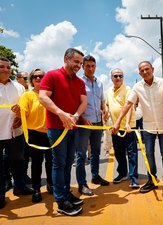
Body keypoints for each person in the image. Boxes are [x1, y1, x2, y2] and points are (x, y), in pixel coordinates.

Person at [112, 61, 163, 198]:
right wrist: (117, 122)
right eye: (142, 70)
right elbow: (128, 104)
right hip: (148, 127)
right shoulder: (137, 87)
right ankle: (152, 179)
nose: (145, 72)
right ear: (139, 73)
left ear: (152, 69)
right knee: (149, 154)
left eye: (147, 69)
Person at [39, 48, 87, 216]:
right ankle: (61, 201)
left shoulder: (80, 82)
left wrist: (75, 115)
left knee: (68, 162)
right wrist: (61, 113)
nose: (79, 66)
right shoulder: (52, 75)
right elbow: (43, 97)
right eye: (76, 62)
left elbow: (83, 102)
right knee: (59, 163)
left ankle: (66, 193)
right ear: (66, 59)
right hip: (57, 129)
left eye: (80, 63)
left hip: (73, 128)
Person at [0, 57, 33, 209]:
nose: (6, 69)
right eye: (2, 67)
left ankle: (20, 186)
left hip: (15, 131)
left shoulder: (19, 87)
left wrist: (20, 115)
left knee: (19, 160)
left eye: (8, 67)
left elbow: (24, 106)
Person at [75, 55, 109, 196]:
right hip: (83, 124)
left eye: (92, 66)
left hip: (97, 123)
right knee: (81, 154)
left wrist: (105, 110)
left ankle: (95, 177)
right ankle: (82, 184)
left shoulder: (99, 83)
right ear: (82, 66)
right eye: (87, 66)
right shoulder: (77, 82)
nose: (90, 68)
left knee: (96, 152)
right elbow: (74, 103)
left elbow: (102, 101)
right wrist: (81, 118)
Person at [19, 68, 53, 203]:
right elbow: (23, 112)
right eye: (35, 77)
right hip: (34, 134)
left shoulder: (50, 94)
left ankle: (51, 184)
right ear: (31, 80)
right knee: (37, 163)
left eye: (41, 76)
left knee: (51, 162)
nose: (38, 79)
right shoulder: (27, 95)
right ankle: (37, 189)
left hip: (51, 133)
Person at [106, 68, 139, 189]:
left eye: (120, 76)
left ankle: (134, 178)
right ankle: (122, 173)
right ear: (111, 78)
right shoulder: (109, 91)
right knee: (119, 152)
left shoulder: (128, 89)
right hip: (115, 127)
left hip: (127, 127)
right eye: (115, 76)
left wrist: (128, 123)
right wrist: (104, 112)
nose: (118, 78)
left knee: (131, 153)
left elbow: (129, 106)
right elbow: (108, 105)